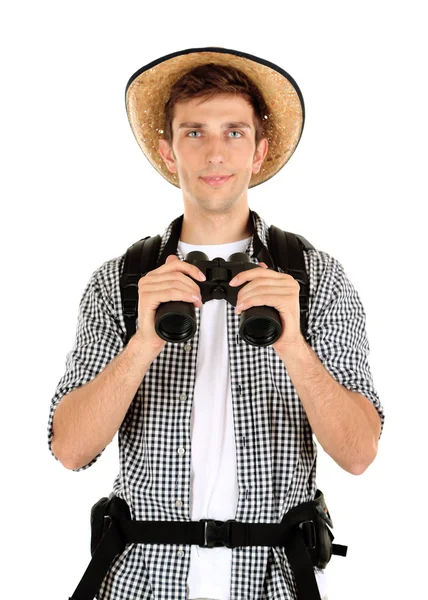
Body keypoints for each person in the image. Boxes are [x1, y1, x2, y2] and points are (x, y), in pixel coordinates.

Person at [47, 47, 385, 600]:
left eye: (234, 131)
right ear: (168, 150)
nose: (214, 152)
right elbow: (70, 450)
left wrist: (294, 344)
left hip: (273, 580)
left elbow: (358, 454)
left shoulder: (314, 276)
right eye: (194, 132)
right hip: (143, 580)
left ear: (259, 151)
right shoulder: (121, 281)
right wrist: (143, 341)